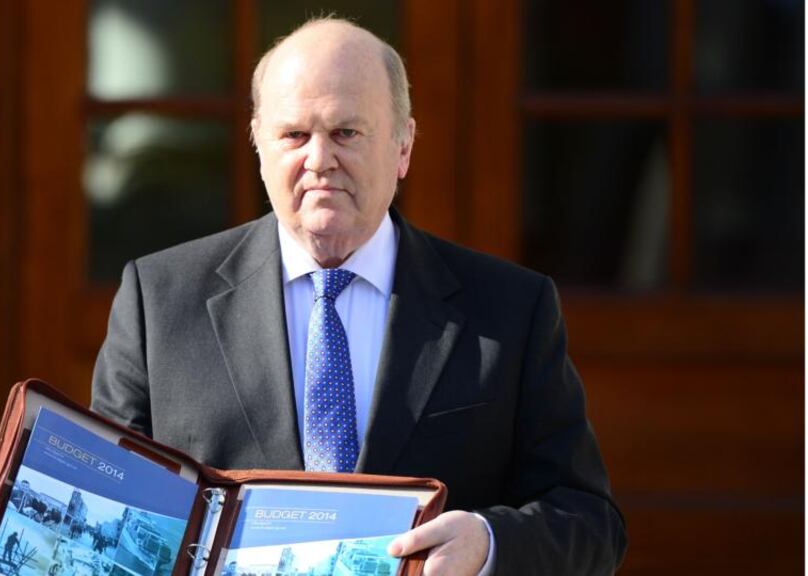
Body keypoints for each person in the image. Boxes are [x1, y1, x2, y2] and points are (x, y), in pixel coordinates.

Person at [92, 17, 626, 575]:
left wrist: (488, 545)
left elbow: (590, 523)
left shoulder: (511, 309)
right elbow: (110, 501)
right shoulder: (159, 301)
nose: (319, 160)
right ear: (257, 143)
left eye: (346, 132)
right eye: (294, 135)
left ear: (403, 146)